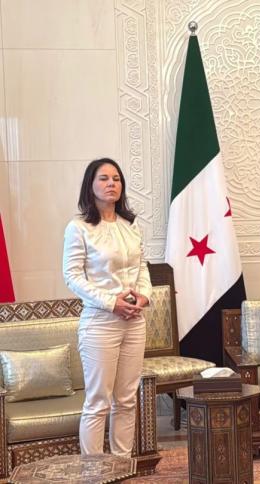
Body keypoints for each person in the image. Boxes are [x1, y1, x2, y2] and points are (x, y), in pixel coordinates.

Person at [63, 158, 151, 457]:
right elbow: (72, 276)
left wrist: (144, 297)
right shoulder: (79, 228)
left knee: (126, 400)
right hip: (100, 322)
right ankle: (94, 472)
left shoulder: (131, 225)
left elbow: (142, 268)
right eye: (103, 178)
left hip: (134, 320)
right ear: (90, 185)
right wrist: (112, 303)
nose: (111, 183)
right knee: (98, 401)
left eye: (116, 178)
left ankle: (121, 465)